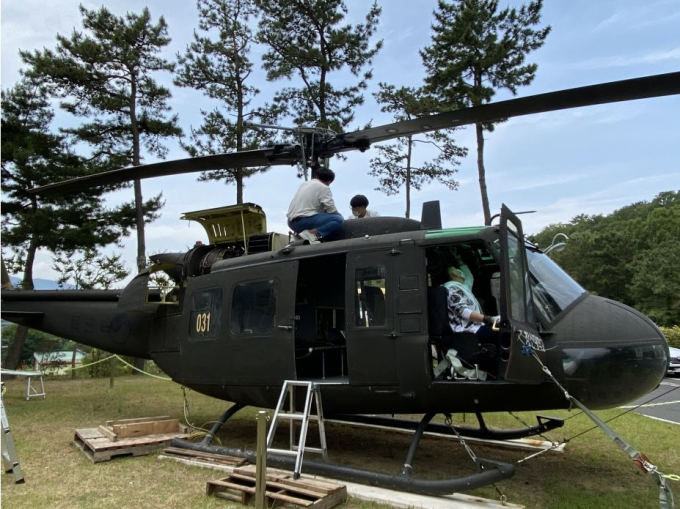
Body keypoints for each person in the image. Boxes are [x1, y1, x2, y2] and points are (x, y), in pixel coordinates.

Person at [434, 264, 499, 380]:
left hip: (476, 329)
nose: (460, 271)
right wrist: (489, 319)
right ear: (454, 274)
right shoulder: (451, 288)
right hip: (469, 332)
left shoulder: (462, 287)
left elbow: (469, 277)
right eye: (456, 268)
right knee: (502, 333)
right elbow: (463, 312)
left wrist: (459, 259)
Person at [286, 167, 344, 244]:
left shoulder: (304, 184)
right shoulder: (324, 188)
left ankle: (298, 236)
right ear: (329, 182)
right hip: (303, 221)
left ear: (316, 176)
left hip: (291, 222)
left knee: (316, 214)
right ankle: (312, 234)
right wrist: (338, 214)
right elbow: (331, 209)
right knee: (338, 219)